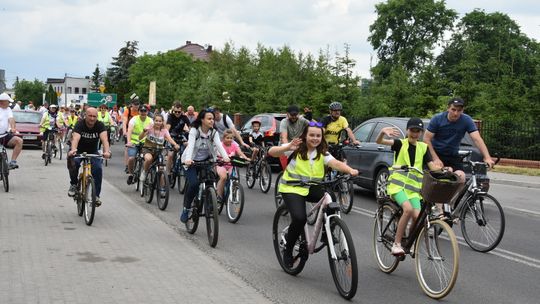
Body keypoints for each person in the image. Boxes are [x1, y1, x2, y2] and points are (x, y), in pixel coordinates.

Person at [269, 122, 358, 267]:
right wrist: (287, 146)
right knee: (299, 218)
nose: (315, 138)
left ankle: (326, 231)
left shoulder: (322, 153)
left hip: (311, 188)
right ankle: (288, 249)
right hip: (291, 188)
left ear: (322, 137)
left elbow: (335, 163)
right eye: (311, 135)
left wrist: (350, 170)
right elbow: (272, 152)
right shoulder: (295, 148)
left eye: (318, 135)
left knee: (331, 199)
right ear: (305, 136)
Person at [376, 118, 443, 256]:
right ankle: (397, 243)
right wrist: (382, 132)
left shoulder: (423, 148)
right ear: (407, 131)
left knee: (418, 217)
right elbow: (379, 142)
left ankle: (409, 241)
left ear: (421, 133)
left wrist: (444, 171)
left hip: (413, 190)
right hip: (397, 186)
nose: (415, 134)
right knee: (407, 209)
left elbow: (432, 167)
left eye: (418, 131)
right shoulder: (400, 143)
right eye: (412, 130)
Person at [424, 97, 495, 184]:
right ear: (448, 108)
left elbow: (477, 139)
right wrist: (435, 159)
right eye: (453, 109)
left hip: (453, 155)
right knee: (436, 179)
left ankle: (455, 198)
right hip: (436, 153)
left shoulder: (466, 120)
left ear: (462, 110)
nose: (456, 113)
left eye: (459, 110)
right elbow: (426, 139)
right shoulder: (437, 119)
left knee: (461, 176)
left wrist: (487, 157)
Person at [180, 109, 229, 223]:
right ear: (202, 120)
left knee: (211, 181)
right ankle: (186, 209)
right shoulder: (194, 131)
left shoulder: (214, 132)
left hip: (206, 161)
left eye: (212, 119)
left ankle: (210, 202)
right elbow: (191, 145)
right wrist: (188, 159)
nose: (212, 121)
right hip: (191, 162)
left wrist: (225, 157)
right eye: (209, 118)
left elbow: (219, 146)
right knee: (194, 184)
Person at [67, 107, 111, 206]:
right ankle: (74, 184)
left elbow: (105, 140)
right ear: (85, 115)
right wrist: (73, 150)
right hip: (79, 150)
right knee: (74, 163)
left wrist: (107, 152)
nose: (92, 119)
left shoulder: (100, 125)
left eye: (94, 116)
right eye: (90, 116)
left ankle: (96, 196)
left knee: (98, 169)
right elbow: (75, 139)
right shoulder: (80, 124)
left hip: (93, 151)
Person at [139, 114, 180, 192]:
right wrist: (144, 131)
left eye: (160, 121)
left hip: (159, 151)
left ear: (162, 122)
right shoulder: (149, 128)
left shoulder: (164, 130)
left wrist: (175, 145)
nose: (158, 122)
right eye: (156, 121)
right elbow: (140, 137)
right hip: (148, 149)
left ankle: (162, 188)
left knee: (161, 169)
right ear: (154, 121)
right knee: (149, 159)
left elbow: (169, 139)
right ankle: (144, 171)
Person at [216, 129, 250, 202]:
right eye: (227, 138)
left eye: (231, 138)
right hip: (221, 165)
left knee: (234, 178)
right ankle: (218, 195)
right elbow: (217, 154)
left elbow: (240, 153)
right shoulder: (220, 145)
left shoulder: (234, 145)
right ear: (223, 138)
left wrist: (246, 158)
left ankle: (233, 192)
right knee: (223, 177)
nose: (229, 140)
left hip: (231, 165)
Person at [125, 105, 153, 184]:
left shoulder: (150, 120)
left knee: (148, 158)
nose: (143, 113)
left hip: (145, 143)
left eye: (145, 111)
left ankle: (145, 173)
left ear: (147, 112)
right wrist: (129, 141)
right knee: (131, 158)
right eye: (141, 111)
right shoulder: (134, 119)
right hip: (134, 142)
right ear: (139, 111)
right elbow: (129, 130)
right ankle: (130, 174)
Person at [165, 102, 190, 177]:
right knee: (170, 155)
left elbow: (191, 127)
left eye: (179, 112)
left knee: (188, 146)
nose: (177, 113)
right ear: (173, 110)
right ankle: (168, 173)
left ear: (182, 111)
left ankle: (184, 167)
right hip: (171, 136)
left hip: (180, 135)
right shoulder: (170, 116)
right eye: (175, 111)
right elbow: (167, 129)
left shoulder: (184, 117)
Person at [0, 92, 23, 169]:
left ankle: (12, 162)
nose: (9, 103)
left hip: (4, 135)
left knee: (19, 141)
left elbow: (11, 119)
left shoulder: (8, 109)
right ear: (2, 101)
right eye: (8, 101)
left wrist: (13, 128)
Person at [122, 97, 140, 173]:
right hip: (128, 130)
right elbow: (124, 122)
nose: (136, 106)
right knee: (127, 148)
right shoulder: (127, 111)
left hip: (137, 132)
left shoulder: (140, 111)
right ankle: (127, 165)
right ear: (131, 105)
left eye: (137, 105)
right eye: (134, 105)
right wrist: (124, 132)